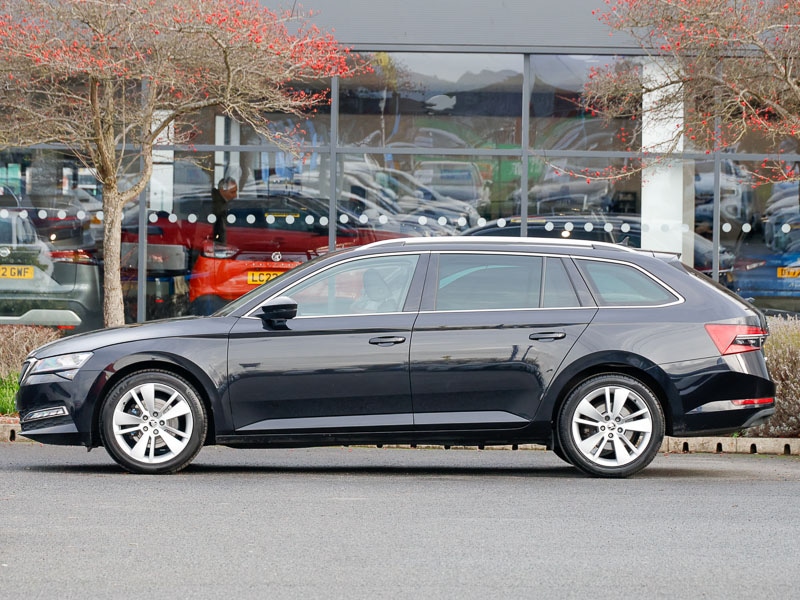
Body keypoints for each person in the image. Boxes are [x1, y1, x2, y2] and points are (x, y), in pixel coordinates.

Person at [211, 176, 238, 244]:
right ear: (222, 191)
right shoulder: (216, 207)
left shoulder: (224, 204)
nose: (235, 195)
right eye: (232, 192)